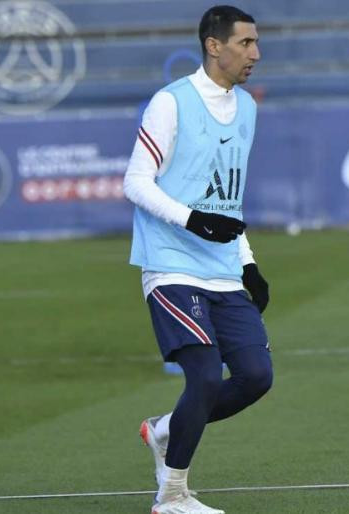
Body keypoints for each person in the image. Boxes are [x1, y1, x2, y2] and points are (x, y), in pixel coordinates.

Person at [123, 6, 271, 514]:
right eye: (245, 43)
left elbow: (230, 200)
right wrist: (192, 221)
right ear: (214, 45)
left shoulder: (247, 107)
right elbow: (135, 181)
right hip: (171, 264)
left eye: (255, 43)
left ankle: (165, 429)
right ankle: (173, 496)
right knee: (205, 377)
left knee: (256, 376)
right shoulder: (171, 103)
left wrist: (248, 262)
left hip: (223, 269)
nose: (255, 53)